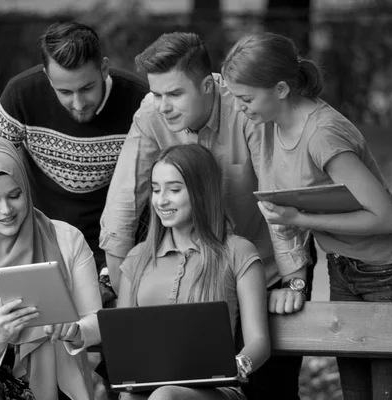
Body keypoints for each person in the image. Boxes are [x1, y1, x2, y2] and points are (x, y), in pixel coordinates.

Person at [222, 32, 392, 400]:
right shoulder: (268, 122)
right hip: (343, 268)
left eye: (245, 99)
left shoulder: (323, 135)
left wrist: (298, 218)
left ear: (280, 89)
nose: (240, 108)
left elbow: (384, 218)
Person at [100, 31, 316, 400]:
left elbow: (276, 195)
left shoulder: (245, 109)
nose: (163, 105)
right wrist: (125, 290)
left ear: (206, 86)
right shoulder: (152, 114)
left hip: (264, 264)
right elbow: (124, 199)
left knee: (272, 388)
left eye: (174, 94)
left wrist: (293, 281)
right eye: (157, 94)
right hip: (198, 278)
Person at [0, 137, 103, 400]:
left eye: (15, 195)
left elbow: (97, 321)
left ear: (26, 188)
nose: (6, 210)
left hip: (61, 379)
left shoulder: (68, 240)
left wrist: (76, 331)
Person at [0, 21, 149, 294]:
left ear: (104, 69)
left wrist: (118, 268)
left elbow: (159, 185)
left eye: (87, 88)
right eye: (64, 92)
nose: (77, 103)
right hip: (41, 242)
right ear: (48, 78)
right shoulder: (21, 94)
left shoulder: (140, 100)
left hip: (118, 249)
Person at [116, 144, 270, 400]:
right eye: (155, 190)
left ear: (201, 192)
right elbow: (123, 340)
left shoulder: (237, 252)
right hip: (147, 387)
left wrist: (238, 365)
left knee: (164, 397)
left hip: (216, 391)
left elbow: (259, 342)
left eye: (174, 190)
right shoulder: (137, 258)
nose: (161, 200)